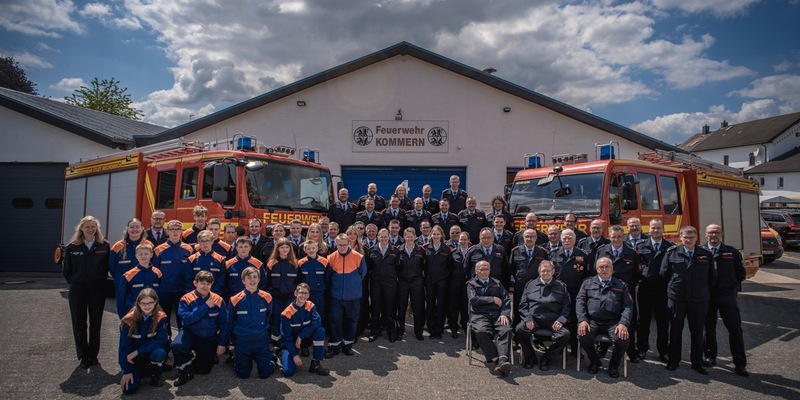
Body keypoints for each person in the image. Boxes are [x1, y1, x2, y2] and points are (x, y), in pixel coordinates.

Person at [661, 226, 716, 375]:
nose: (689, 240)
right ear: (681, 238)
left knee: (697, 332)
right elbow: (664, 274)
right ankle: (673, 361)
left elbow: (712, 278)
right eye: (686, 237)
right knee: (675, 331)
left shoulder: (705, 255)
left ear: (696, 238)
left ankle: (697, 362)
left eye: (692, 237)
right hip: (677, 299)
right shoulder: (672, 253)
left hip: (698, 300)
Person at [63, 215, 110, 369]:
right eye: (87, 226)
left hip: (97, 290)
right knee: (79, 323)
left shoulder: (103, 246)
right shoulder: (72, 247)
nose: (90, 229)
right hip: (78, 290)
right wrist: (76, 282)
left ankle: (93, 355)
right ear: (81, 229)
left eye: (93, 226)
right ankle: (83, 356)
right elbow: (67, 271)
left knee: (96, 323)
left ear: (97, 229)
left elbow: (107, 267)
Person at [702, 224, 748, 377]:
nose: (713, 235)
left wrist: (730, 287)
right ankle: (709, 357)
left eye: (716, 232)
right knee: (708, 329)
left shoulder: (732, 252)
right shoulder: (700, 252)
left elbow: (741, 273)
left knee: (735, 329)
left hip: (727, 296)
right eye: (710, 232)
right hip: (707, 296)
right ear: (705, 234)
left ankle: (740, 364)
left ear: (721, 233)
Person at [576, 257, 632, 378]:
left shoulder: (621, 285)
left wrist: (623, 323)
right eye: (601, 267)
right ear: (596, 269)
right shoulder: (587, 283)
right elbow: (580, 302)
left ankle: (613, 365)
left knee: (622, 339)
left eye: (607, 267)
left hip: (613, 322)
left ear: (612, 269)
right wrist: (582, 320)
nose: (604, 269)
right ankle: (594, 361)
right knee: (582, 335)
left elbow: (628, 306)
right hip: (593, 321)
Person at [594, 224, 642, 363]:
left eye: (619, 237)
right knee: (604, 318)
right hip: (605, 291)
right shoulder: (602, 251)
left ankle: (631, 351)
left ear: (624, 237)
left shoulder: (632, 253)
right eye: (613, 237)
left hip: (624, 293)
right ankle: (603, 347)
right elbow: (595, 269)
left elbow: (637, 274)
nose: (616, 239)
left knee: (629, 321)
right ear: (609, 237)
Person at [172, 271, 229, 386]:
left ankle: (202, 357)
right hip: (190, 333)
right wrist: (205, 306)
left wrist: (222, 344)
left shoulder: (218, 300)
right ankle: (185, 371)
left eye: (208, 284)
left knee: (204, 370)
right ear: (195, 283)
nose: (205, 286)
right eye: (202, 283)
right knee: (177, 346)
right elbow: (187, 319)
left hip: (208, 337)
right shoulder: (186, 299)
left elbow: (224, 323)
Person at [516, 260, 571, 371]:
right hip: (534, 320)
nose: (545, 273)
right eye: (543, 271)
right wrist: (527, 319)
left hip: (553, 320)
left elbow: (567, 306)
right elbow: (523, 305)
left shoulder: (561, 286)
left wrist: (561, 320)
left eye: (548, 271)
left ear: (553, 271)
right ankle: (530, 357)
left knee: (565, 334)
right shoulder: (530, 285)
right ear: (539, 271)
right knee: (520, 329)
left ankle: (547, 358)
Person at [634, 218, 673, 363]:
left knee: (663, 323)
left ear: (663, 230)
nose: (656, 231)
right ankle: (642, 348)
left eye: (658, 228)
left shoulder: (670, 247)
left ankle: (663, 351)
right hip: (645, 289)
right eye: (653, 228)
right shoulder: (640, 246)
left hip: (663, 291)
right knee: (642, 322)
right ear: (648, 229)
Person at [228, 266, 277, 379]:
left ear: (259, 279)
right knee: (243, 374)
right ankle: (236, 356)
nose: (252, 280)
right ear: (243, 280)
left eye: (255, 277)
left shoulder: (267, 297)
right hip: (242, 340)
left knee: (264, 374)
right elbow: (230, 321)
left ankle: (271, 357)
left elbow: (269, 316)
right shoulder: (235, 299)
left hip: (261, 339)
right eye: (249, 277)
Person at [467, 260, 513, 376]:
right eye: (481, 269)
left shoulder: (497, 282)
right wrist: (492, 299)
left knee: (506, 329)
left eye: (486, 269)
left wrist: (504, 313)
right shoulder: (472, 284)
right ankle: (497, 360)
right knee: (482, 332)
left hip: (497, 314)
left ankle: (502, 360)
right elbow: (474, 300)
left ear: (490, 270)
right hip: (479, 315)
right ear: (476, 271)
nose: (484, 271)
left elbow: (506, 299)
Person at [118, 289, 169, 394]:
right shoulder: (128, 320)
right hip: (133, 359)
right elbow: (123, 347)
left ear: (155, 302)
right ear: (138, 303)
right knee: (128, 390)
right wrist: (127, 371)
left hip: (146, 354)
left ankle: (156, 374)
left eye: (150, 303)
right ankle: (140, 372)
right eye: (144, 303)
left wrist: (137, 352)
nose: (147, 306)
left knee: (159, 353)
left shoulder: (160, 317)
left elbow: (161, 340)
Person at [549, 229, 590, 356]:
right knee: (560, 320)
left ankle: (575, 348)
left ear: (575, 240)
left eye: (569, 238)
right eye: (564, 238)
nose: (567, 240)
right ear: (561, 240)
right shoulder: (553, 254)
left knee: (574, 321)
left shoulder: (583, 255)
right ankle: (560, 347)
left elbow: (587, 276)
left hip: (576, 294)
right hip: (557, 295)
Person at [325, 234, 367, 357]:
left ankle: (347, 345)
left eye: (344, 244)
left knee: (352, 321)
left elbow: (362, 274)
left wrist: (352, 286)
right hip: (336, 297)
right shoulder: (331, 257)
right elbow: (328, 277)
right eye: (339, 245)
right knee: (335, 321)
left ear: (349, 243)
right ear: (336, 244)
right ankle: (334, 346)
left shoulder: (358, 257)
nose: (342, 247)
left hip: (353, 297)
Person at [279, 283, 330, 377]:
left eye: (306, 293)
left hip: (304, 339)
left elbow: (317, 322)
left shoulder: (311, 306)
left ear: (308, 295)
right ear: (295, 293)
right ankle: (283, 355)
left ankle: (316, 363)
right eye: (301, 292)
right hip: (292, 343)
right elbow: (286, 337)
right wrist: (294, 355)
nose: (303, 295)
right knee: (288, 372)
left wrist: (301, 335)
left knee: (320, 331)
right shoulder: (286, 313)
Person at [153, 220, 194, 333]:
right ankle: (166, 341)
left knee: (182, 318)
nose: (175, 232)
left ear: (181, 232)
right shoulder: (159, 250)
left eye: (178, 229)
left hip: (182, 291)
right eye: (172, 229)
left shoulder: (189, 249)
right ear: (167, 231)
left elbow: (191, 272)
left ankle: (182, 343)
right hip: (164, 290)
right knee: (164, 318)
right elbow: (155, 272)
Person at [365, 228, 401, 342]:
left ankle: (391, 332)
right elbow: (369, 268)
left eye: (386, 236)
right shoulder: (372, 251)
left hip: (390, 285)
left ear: (389, 237)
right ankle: (374, 332)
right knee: (375, 309)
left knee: (390, 310)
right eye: (381, 236)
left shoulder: (395, 251)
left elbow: (398, 268)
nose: (384, 239)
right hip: (376, 284)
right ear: (378, 237)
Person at [265, 237, 301, 347]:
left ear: (290, 249)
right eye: (282, 247)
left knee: (288, 319)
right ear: (278, 249)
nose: (285, 249)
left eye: (287, 247)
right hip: (275, 297)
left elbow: (298, 281)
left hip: (290, 297)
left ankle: (287, 342)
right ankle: (276, 342)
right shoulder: (271, 263)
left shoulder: (295, 264)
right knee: (276, 319)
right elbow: (267, 281)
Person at [509, 229, 549, 327]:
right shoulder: (516, 251)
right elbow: (510, 269)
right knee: (518, 311)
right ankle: (517, 336)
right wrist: (513, 283)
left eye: (532, 237)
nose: (529, 239)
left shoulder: (542, 252)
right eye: (527, 236)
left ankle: (536, 336)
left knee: (536, 310)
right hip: (520, 287)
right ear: (523, 238)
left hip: (537, 288)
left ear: (536, 238)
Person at [397, 227, 427, 340]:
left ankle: (418, 331)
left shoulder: (421, 250)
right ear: (404, 237)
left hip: (416, 281)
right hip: (403, 282)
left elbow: (424, 265)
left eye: (411, 236)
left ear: (415, 237)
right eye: (407, 236)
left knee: (418, 307)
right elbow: (396, 266)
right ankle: (400, 330)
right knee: (401, 307)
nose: (409, 238)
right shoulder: (399, 250)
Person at [117, 243, 162, 319]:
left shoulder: (157, 273)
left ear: (151, 255)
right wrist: (123, 316)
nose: (143, 256)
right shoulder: (128, 275)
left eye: (146, 254)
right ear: (136, 256)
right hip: (133, 312)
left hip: (152, 312)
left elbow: (160, 294)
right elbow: (121, 298)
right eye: (140, 254)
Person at [424, 225, 452, 340]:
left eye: (437, 234)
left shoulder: (447, 249)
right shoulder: (426, 248)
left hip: (442, 282)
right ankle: (431, 329)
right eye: (434, 234)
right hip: (430, 281)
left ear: (441, 235)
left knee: (441, 305)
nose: (435, 236)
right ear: (431, 235)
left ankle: (439, 329)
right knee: (430, 305)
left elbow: (449, 266)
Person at [186, 230, 226, 295]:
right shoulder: (191, 259)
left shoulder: (220, 259)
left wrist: (214, 294)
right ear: (198, 242)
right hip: (195, 295)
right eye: (202, 241)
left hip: (214, 296)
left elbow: (221, 280)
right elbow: (188, 279)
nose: (205, 243)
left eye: (207, 240)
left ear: (212, 241)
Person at [449, 231, 472, 337]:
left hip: (468, 284)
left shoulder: (472, 253)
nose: (462, 241)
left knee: (465, 307)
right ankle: (453, 328)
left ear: (468, 240)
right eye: (461, 239)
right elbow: (449, 269)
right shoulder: (453, 253)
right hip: (455, 284)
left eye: (464, 239)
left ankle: (465, 327)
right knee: (454, 307)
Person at [110, 218, 145, 286]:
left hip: (142, 283)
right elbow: (112, 267)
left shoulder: (148, 245)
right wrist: (119, 279)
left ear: (142, 229)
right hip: (122, 284)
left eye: (137, 227)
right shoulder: (117, 246)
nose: (135, 229)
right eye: (131, 227)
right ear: (127, 229)